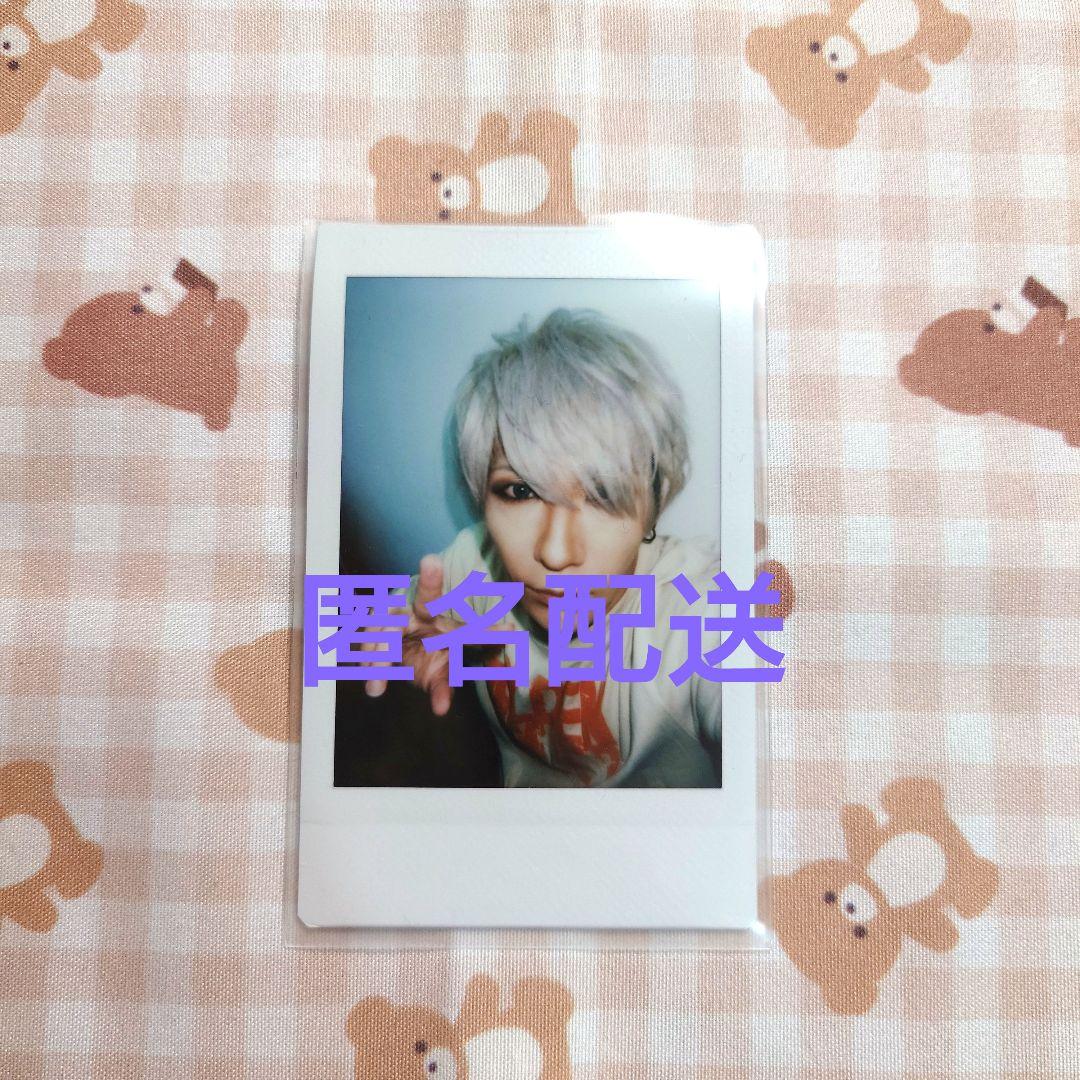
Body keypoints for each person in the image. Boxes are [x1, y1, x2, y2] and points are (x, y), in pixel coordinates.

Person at [364, 308, 727, 788]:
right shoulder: (476, 564)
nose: (555, 554)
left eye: (601, 494)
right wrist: (385, 635)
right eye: (520, 491)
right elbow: (397, 616)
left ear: (654, 505)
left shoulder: (697, 609)